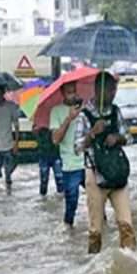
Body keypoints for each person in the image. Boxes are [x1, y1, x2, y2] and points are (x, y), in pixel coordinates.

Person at [75, 71, 136, 254]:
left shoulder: (116, 111)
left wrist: (118, 137)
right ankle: (93, 264)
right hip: (95, 175)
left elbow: (130, 138)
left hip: (117, 174)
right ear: (98, 90)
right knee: (96, 228)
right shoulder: (84, 115)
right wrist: (92, 133)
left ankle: (129, 261)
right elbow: (77, 147)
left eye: (114, 89)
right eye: (110, 90)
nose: (113, 94)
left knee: (126, 224)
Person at [50, 81, 85, 227]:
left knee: (98, 201)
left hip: (89, 162)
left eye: (74, 91)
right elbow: (56, 139)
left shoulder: (85, 109)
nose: (72, 95)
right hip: (70, 166)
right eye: (69, 92)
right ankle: (68, 230)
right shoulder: (56, 111)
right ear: (63, 94)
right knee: (71, 205)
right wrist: (69, 118)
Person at [0, 84, 20, 193]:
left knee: (8, 173)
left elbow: (16, 125)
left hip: (8, 145)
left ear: (3, 93)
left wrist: (16, 143)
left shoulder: (11, 106)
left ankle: (8, 192)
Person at [35, 124, 63, 197]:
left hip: (56, 155)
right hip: (44, 155)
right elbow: (37, 138)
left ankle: (61, 198)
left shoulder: (57, 123)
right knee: (44, 181)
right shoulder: (39, 126)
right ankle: (43, 198)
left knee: (60, 180)